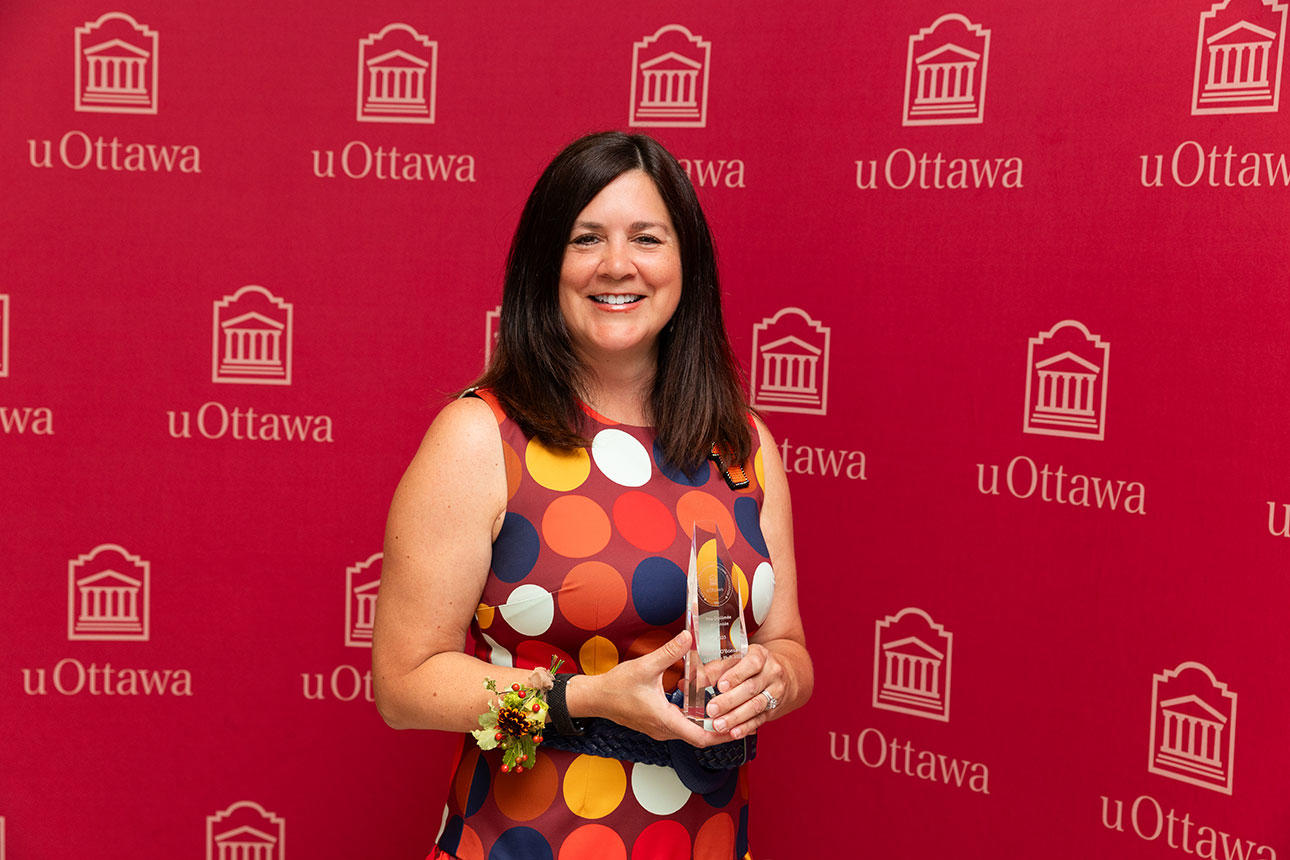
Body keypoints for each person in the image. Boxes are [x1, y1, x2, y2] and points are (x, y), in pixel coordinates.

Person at [373, 131, 812, 860]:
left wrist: (773, 679)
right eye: (586, 239)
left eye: (647, 237)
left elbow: (788, 645)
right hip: (527, 841)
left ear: (686, 264)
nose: (617, 265)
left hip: (707, 841)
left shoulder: (744, 446)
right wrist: (580, 701)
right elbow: (404, 684)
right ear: (546, 264)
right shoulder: (481, 438)